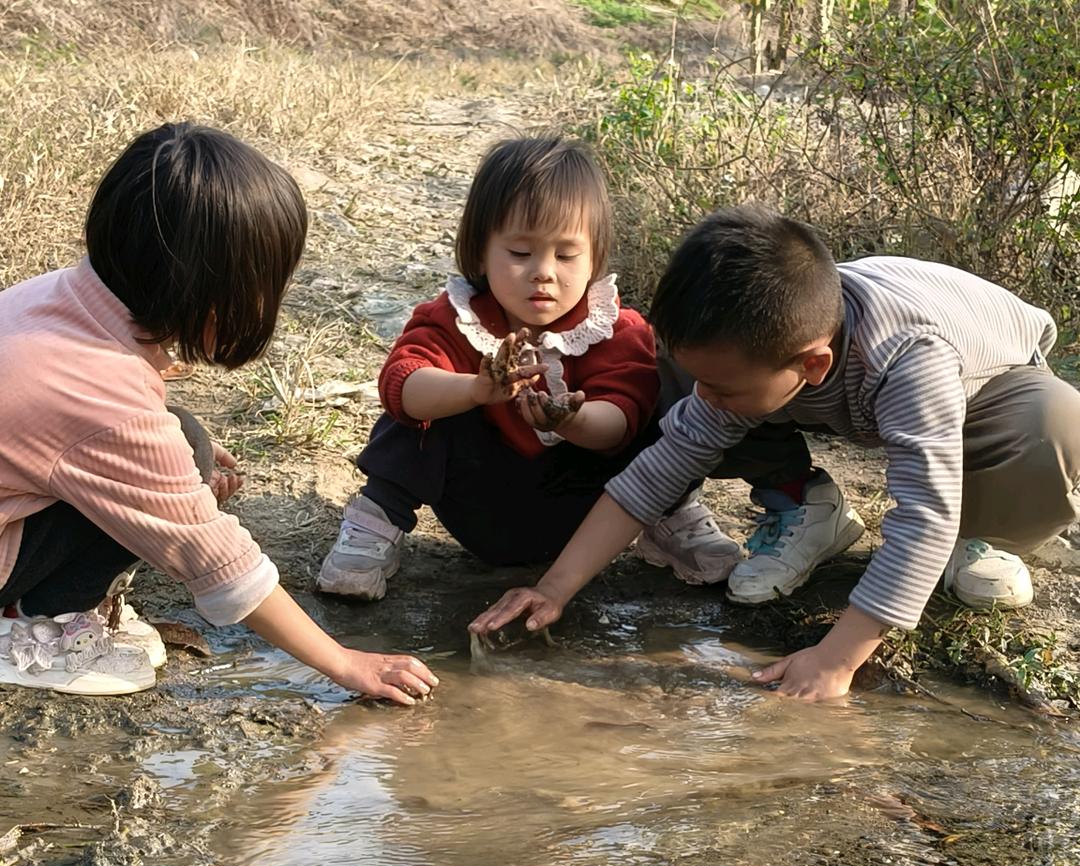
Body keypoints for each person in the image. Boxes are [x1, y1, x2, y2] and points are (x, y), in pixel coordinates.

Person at [470, 204, 1080, 701]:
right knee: (688, 394)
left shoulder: (909, 359)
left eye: (723, 386)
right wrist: (553, 589)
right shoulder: (764, 341)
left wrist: (836, 660)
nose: (704, 398)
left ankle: (970, 536)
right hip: (820, 382)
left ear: (813, 365)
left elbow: (922, 510)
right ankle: (806, 507)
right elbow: (655, 473)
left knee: (1054, 428)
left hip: (989, 394)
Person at [0, 122, 437, 704]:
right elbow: (218, 562)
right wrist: (345, 662)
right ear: (207, 288)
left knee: (185, 437)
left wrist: (176, 456)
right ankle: (35, 629)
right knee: (176, 458)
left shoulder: (56, 297)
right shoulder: (106, 400)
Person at [316, 136, 739, 600]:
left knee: (667, 393)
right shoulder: (454, 320)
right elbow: (400, 385)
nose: (543, 272)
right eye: (520, 253)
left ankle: (670, 516)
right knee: (421, 408)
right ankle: (374, 527)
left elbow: (621, 422)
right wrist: (473, 390)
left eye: (565, 254)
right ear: (480, 252)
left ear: (595, 257)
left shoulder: (617, 331)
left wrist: (573, 420)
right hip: (484, 506)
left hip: (593, 510)